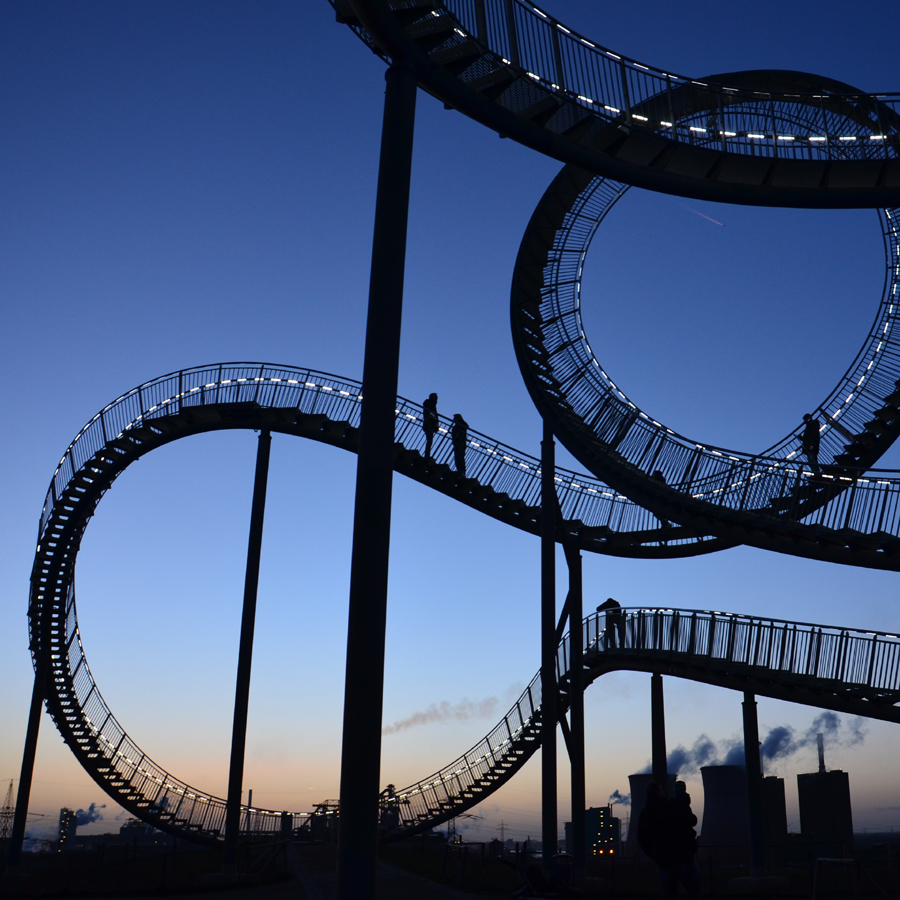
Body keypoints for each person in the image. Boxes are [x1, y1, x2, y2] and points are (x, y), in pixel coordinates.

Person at [638, 781, 701, 900]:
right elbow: (692, 821)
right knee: (694, 893)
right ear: (658, 792)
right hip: (682, 857)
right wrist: (684, 800)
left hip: (663, 861)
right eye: (661, 789)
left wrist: (654, 854)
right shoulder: (671, 806)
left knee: (669, 895)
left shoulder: (644, 813)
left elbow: (641, 838)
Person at [422, 393, 438, 460]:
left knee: (429, 440)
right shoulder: (430, 403)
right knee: (429, 440)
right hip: (429, 424)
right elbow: (431, 413)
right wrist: (435, 422)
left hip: (429, 424)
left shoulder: (430, 404)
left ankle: (427, 455)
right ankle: (427, 455)